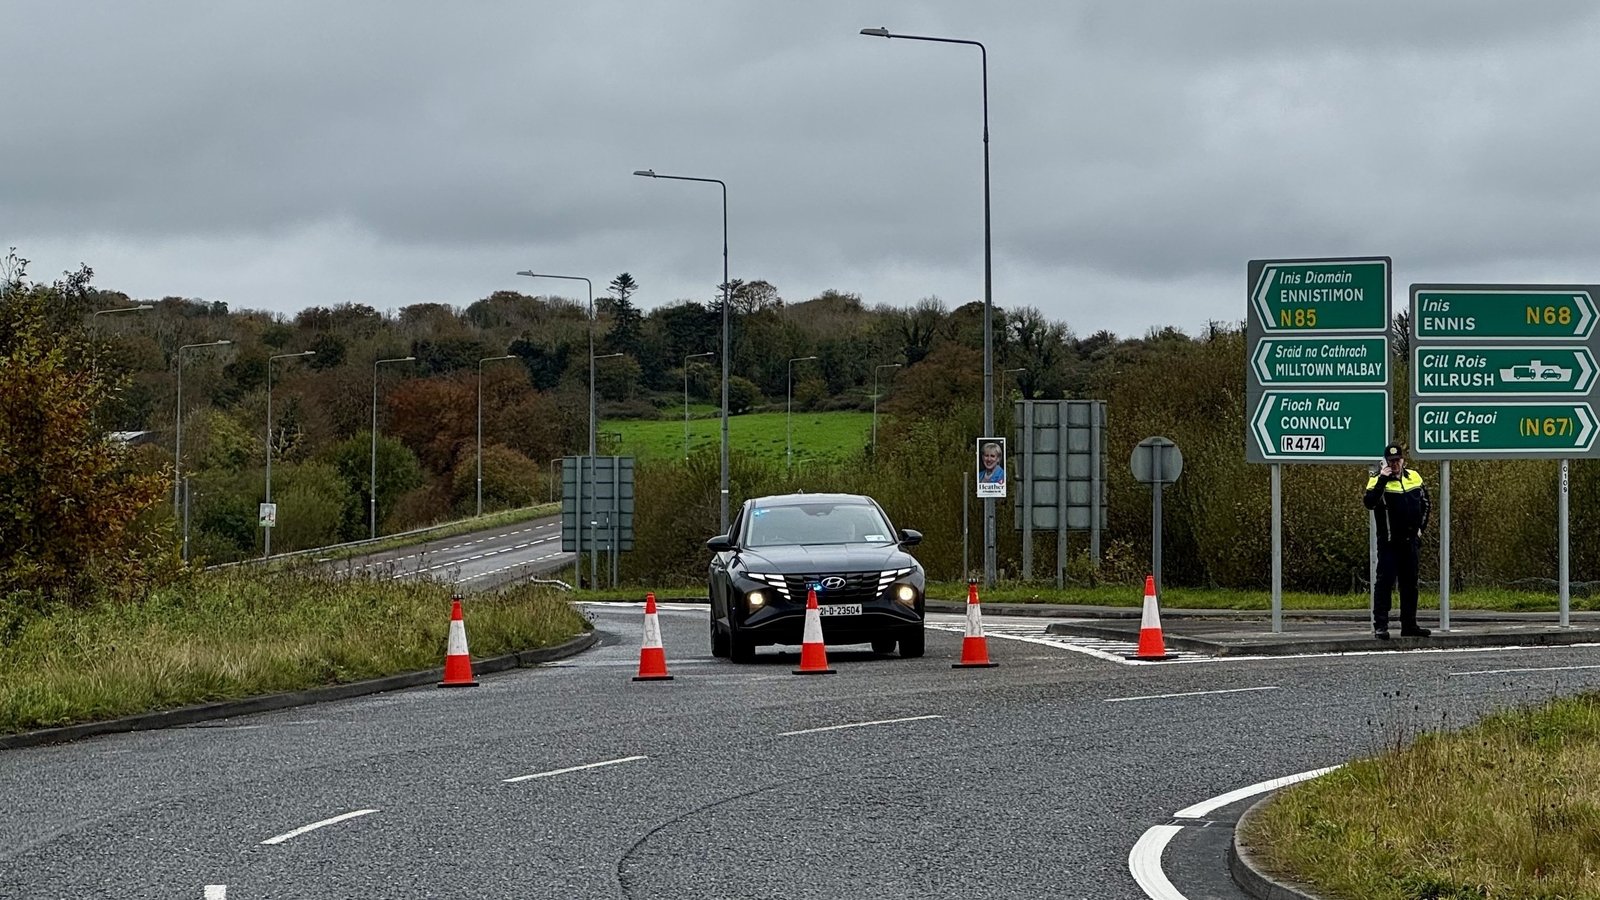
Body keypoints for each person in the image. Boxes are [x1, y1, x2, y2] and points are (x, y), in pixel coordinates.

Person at [1363, 442, 1431, 639]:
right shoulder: (1377, 481)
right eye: (1391, 461)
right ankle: (1381, 626)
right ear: (1386, 462)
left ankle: (1409, 625)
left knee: (1410, 585)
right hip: (1389, 543)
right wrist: (1383, 479)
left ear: (1403, 460)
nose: (1394, 464)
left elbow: (1426, 503)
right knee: (1384, 584)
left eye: (1397, 460)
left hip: (1410, 542)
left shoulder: (1414, 477)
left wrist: (1420, 529)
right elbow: (1369, 502)